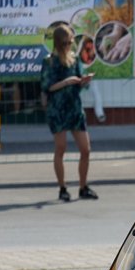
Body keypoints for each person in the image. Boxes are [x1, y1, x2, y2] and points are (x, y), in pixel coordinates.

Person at [43, 23, 97, 202]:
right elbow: (47, 86)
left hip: (74, 108)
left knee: (85, 149)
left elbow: (79, 82)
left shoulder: (74, 59)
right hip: (57, 109)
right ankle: (62, 188)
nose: (68, 46)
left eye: (70, 42)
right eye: (65, 43)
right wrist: (66, 82)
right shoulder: (49, 61)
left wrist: (84, 81)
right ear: (57, 43)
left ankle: (83, 187)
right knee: (61, 148)